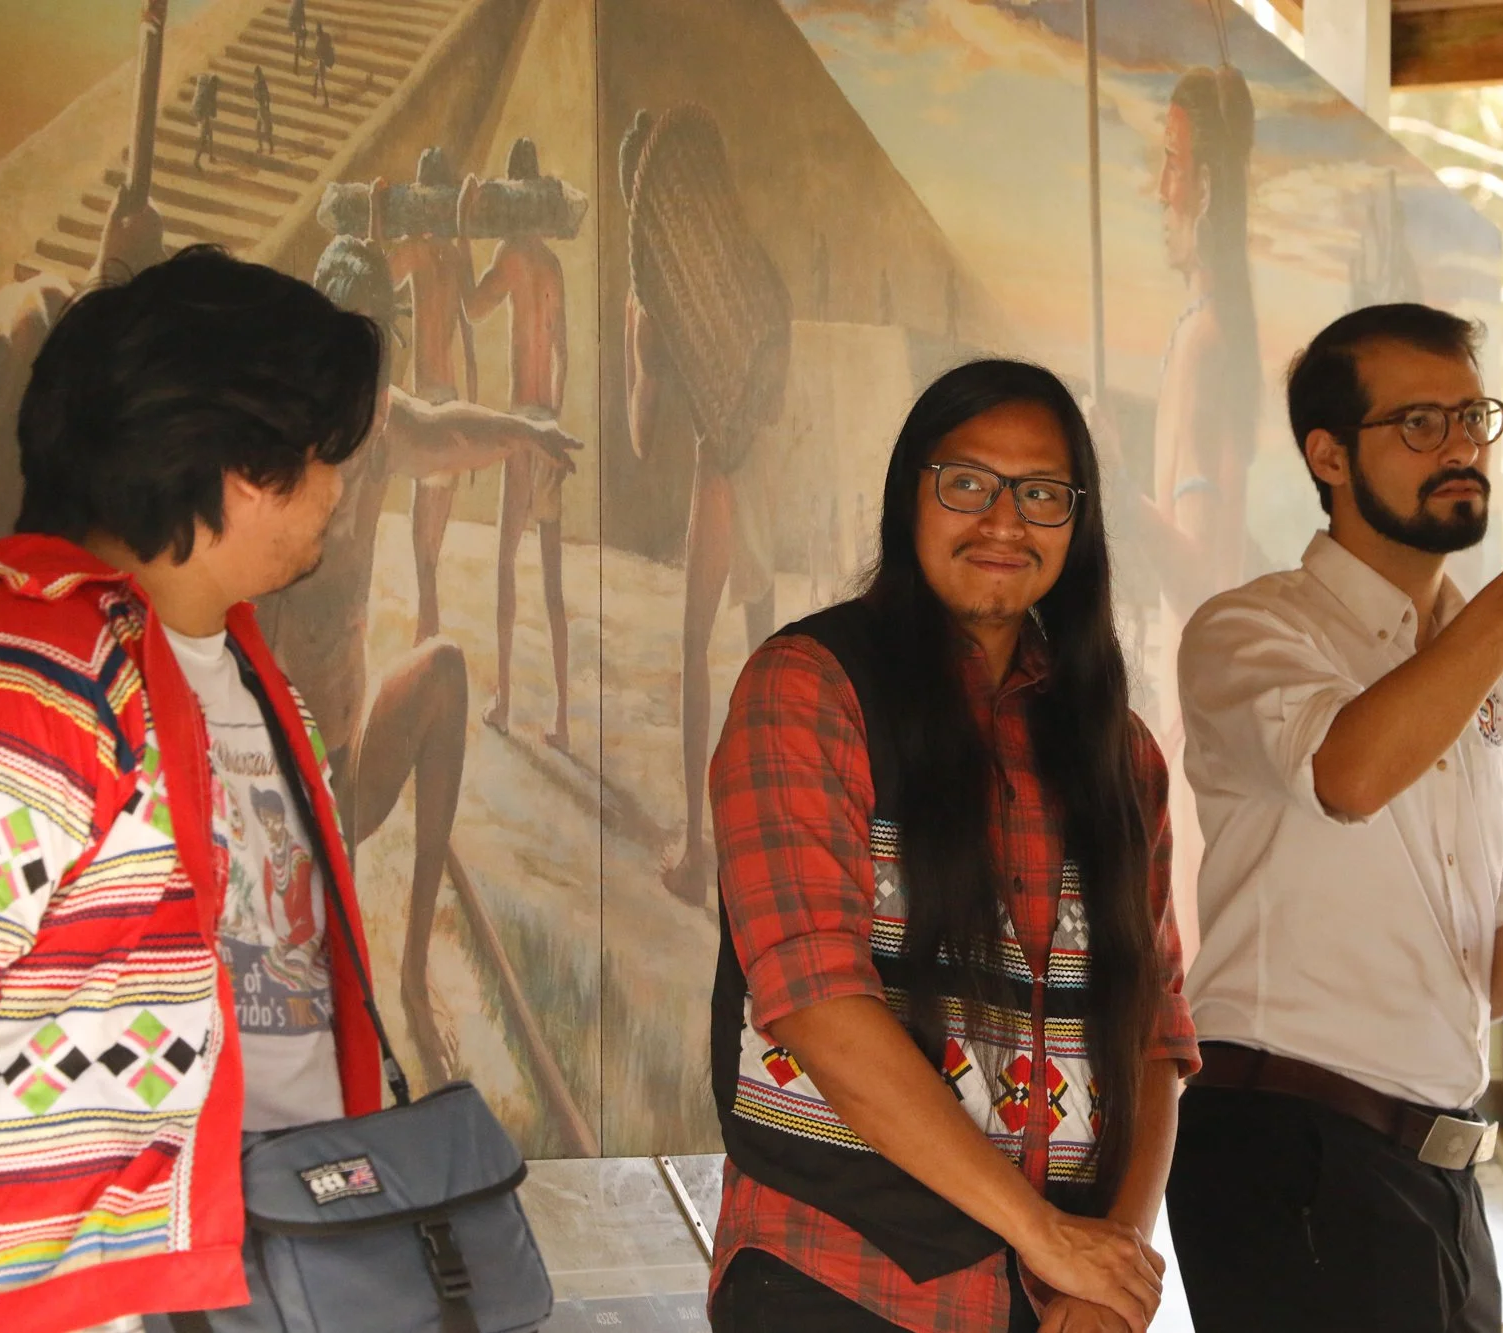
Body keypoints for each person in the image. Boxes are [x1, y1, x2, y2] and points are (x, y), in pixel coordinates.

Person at [1164, 303, 1503, 1332]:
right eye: (1416, 424)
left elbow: (1482, 976)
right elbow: (1347, 775)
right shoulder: (1249, 629)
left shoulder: (1499, 687)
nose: (1456, 449)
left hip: (1438, 1177)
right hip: (1290, 1154)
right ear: (1326, 454)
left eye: (1468, 419)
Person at [0, 246, 388, 1331]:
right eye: (326, 454)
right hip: (69, 1301)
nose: (337, 489)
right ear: (243, 465)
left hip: (277, 1265)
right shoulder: (10, 693)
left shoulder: (260, 685)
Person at [708, 359, 1200, 1333]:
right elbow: (814, 1003)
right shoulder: (808, 691)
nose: (1004, 522)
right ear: (909, 499)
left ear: (1079, 520)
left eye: (1041, 494)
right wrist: (1045, 1234)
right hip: (833, 1278)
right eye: (966, 484)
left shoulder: (1120, 753)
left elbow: (1154, 1038)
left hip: (1049, 1308)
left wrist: (1104, 1269)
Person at [263, 229, 579, 1087]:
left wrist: (521, 428)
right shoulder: (262, 440)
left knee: (441, 670)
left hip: (333, 775)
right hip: (255, 785)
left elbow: (441, 428)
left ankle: (404, 967)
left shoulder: (379, 421)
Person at [620, 105, 787, 906]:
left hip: (716, 475)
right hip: (762, 469)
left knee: (696, 654)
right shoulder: (754, 272)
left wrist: (635, 347)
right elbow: (776, 398)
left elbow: (643, 437)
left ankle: (698, 849)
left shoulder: (659, 308)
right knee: (769, 653)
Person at [1131, 65, 1260, 959]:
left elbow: (1205, 578)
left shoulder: (1208, 343)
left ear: (1205, 184)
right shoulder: (1214, 331)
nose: (1160, 185)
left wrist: (1106, 491)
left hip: (1194, 707)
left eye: (1173, 162)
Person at [460, 137, 571, 748]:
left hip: (519, 425)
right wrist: (550, 422)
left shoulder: (509, 256)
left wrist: (467, 235)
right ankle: (561, 716)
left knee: (507, 562)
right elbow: (565, 354)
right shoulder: (552, 264)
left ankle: (504, 699)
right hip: (546, 425)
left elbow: (474, 308)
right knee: (552, 581)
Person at [376, 149, 477, 643]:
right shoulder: (453, 253)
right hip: (450, 394)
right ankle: (428, 624)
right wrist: (463, 229)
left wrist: (377, 218)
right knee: (432, 533)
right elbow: (474, 309)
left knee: (422, 538)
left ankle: (426, 625)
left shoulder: (415, 249)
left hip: (425, 401)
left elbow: (377, 279)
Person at [190, 70, 219, 168]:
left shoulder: (206, 92)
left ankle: (210, 156)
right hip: (203, 118)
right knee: (204, 138)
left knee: (209, 134)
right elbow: (211, 112)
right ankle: (196, 160)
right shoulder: (209, 95)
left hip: (201, 116)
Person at [252, 65, 275, 157]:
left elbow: (265, 97)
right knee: (258, 130)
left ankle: (271, 147)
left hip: (263, 110)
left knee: (266, 131)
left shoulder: (260, 85)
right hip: (260, 110)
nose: (256, 76)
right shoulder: (258, 84)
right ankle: (261, 147)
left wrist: (266, 107)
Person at [313, 22, 335, 107]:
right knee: (316, 74)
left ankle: (326, 101)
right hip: (328, 58)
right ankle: (314, 91)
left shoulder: (318, 40)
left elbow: (316, 51)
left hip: (322, 61)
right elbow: (330, 44)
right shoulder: (327, 35)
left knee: (322, 82)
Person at [289, 0, 308, 72]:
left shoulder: (295, 4)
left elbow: (302, 16)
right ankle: (296, 66)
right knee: (297, 46)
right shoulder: (298, 5)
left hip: (296, 26)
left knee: (303, 38)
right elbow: (301, 16)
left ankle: (302, 53)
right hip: (296, 26)